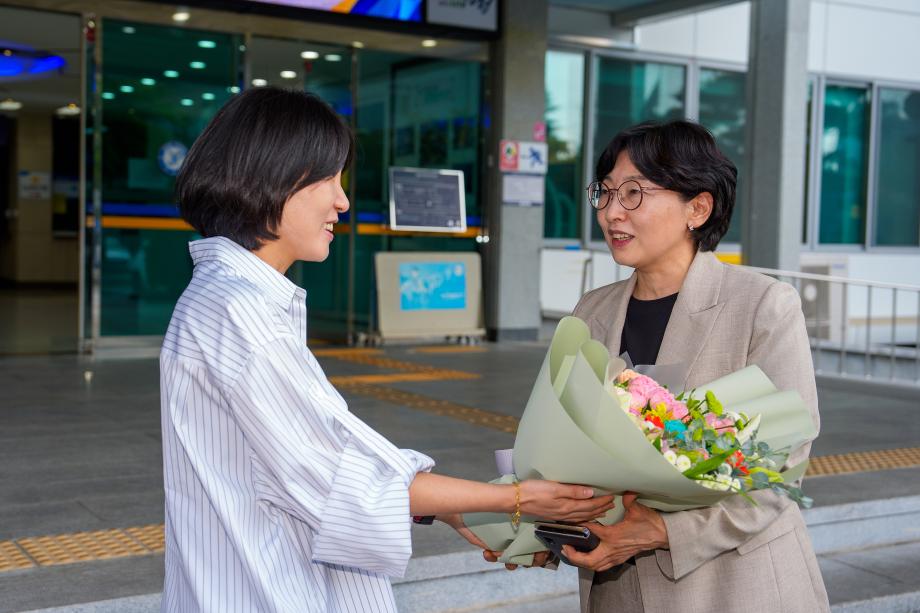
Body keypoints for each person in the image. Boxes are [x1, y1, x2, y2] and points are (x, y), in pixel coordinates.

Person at [160, 86, 614, 613]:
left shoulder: (232, 301)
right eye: (328, 178)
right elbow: (336, 483)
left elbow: (324, 455)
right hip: (264, 589)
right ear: (272, 176)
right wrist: (512, 500)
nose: (342, 200)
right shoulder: (239, 314)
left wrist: (448, 509)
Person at [561, 120, 830, 612]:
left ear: (698, 208)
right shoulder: (590, 312)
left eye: (634, 193)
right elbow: (568, 446)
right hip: (619, 591)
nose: (610, 212)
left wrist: (665, 529)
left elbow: (781, 467)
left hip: (735, 587)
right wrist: (540, 522)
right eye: (604, 192)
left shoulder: (762, 305)